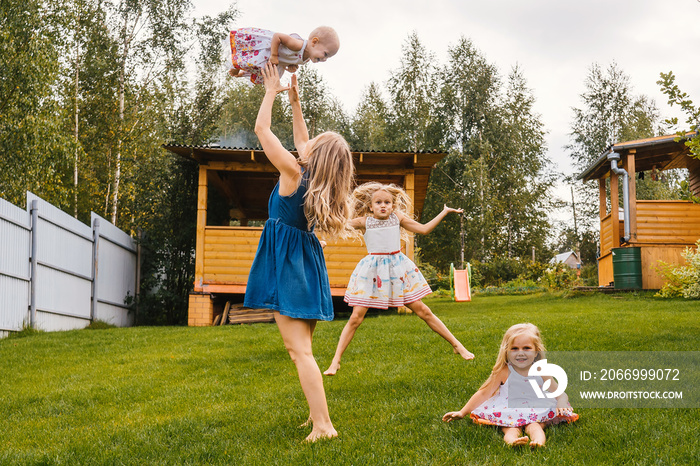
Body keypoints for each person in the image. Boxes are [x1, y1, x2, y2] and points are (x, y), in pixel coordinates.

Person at [244, 62, 354, 442]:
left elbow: (261, 130)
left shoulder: (293, 173)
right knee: (304, 348)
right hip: (306, 263)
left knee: (299, 352)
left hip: (289, 266)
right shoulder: (314, 178)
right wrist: (296, 104)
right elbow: (303, 140)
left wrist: (270, 91)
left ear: (315, 156)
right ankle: (315, 415)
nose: (303, 147)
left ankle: (324, 426)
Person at [323, 182, 474, 376]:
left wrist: (443, 212)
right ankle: (335, 361)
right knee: (355, 318)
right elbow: (337, 226)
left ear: (393, 205)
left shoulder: (397, 218)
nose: (383, 205)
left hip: (396, 271)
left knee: (423, 311)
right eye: (378, 202)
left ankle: (457, 345)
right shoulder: (364, 222)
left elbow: (425, 229)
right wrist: (324, 239)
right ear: (370, 206)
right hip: (372, 273)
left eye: (387, 202)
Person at [442, 323, 578, 448]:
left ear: (536, 350)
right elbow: (484, 393)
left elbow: (559, 392)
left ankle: (538, 443)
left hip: (535, 409)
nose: (520, 352)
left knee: (535, 426)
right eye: (514, 348)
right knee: (511, 429)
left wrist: (561, 401)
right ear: (506, 351)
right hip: (509, 410)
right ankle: (513, 441)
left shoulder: (541, 370)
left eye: (526, 348)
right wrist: (462, 412)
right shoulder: (504, 371)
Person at [227, 26, 339, 84]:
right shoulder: (297, 45)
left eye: (328, 58)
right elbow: (277, 36)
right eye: (325, 54)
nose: (324, 59)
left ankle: (241, 73)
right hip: (270, 50)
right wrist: (274, 55)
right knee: (252, 58)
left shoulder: (307, 59)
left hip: (278, 62)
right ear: (314, 42)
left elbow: (290, 61)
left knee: (265, 73)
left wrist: (291, 67)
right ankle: (236, 66)